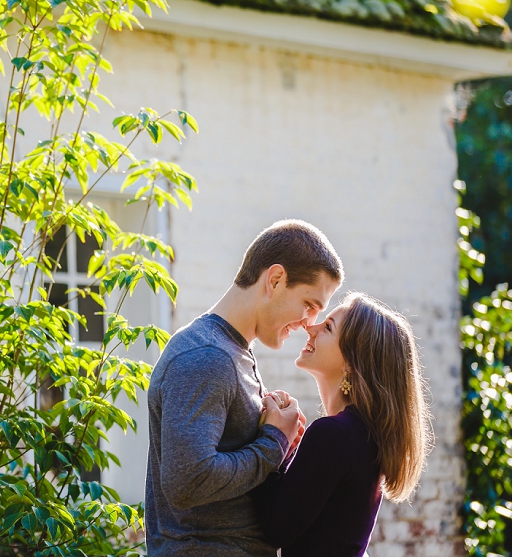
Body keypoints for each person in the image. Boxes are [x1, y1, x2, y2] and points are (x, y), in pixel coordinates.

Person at [145, 220, 343, 556]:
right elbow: (187, 482)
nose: (309, 323)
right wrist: (272, 442)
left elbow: (234, 473)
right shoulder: (207, 356)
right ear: (276, 280)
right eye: (309, 304)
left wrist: (282, 446)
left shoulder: (234, 352)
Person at [251, 292, 433, 556]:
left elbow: (276, 529)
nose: (309, 328)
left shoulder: (334, 435)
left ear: (350, 361)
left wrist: (271, 436)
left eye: (327, 327)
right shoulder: (363, 435)